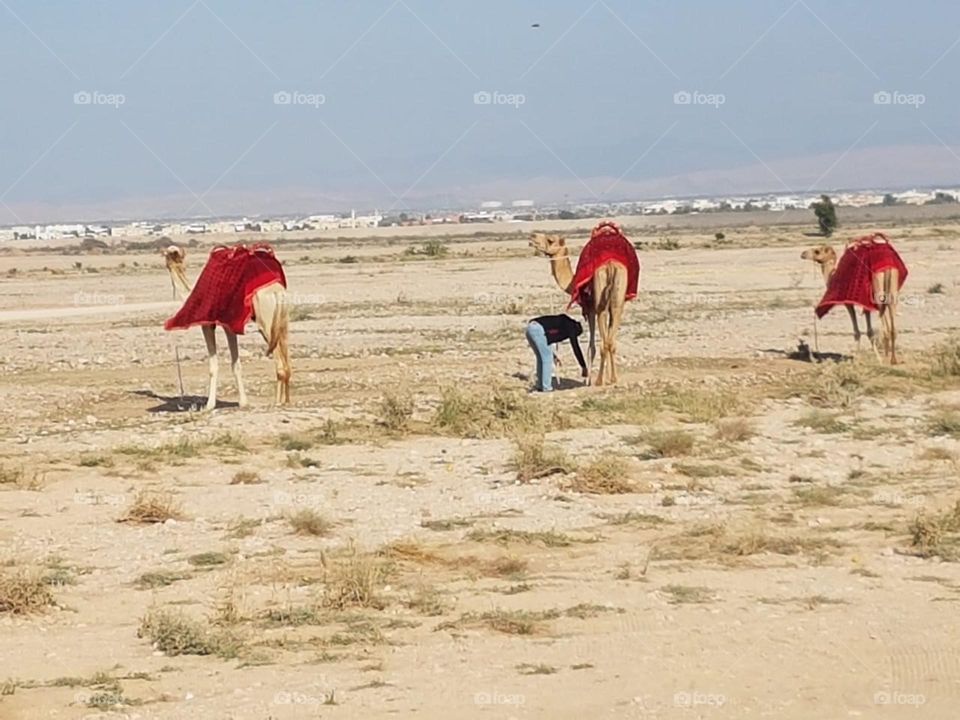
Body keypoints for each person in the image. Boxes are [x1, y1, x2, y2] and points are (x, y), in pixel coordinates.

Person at [525, 314, 587, 392]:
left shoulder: (563, 323)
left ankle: (540, 386)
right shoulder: (571, 326)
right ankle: (546, 388)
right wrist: (583, 366)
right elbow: (575, 347)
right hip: (538, 330)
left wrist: (554, 356)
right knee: (547, 358)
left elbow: (547, 342)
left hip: (530, 328)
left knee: (542, 358)